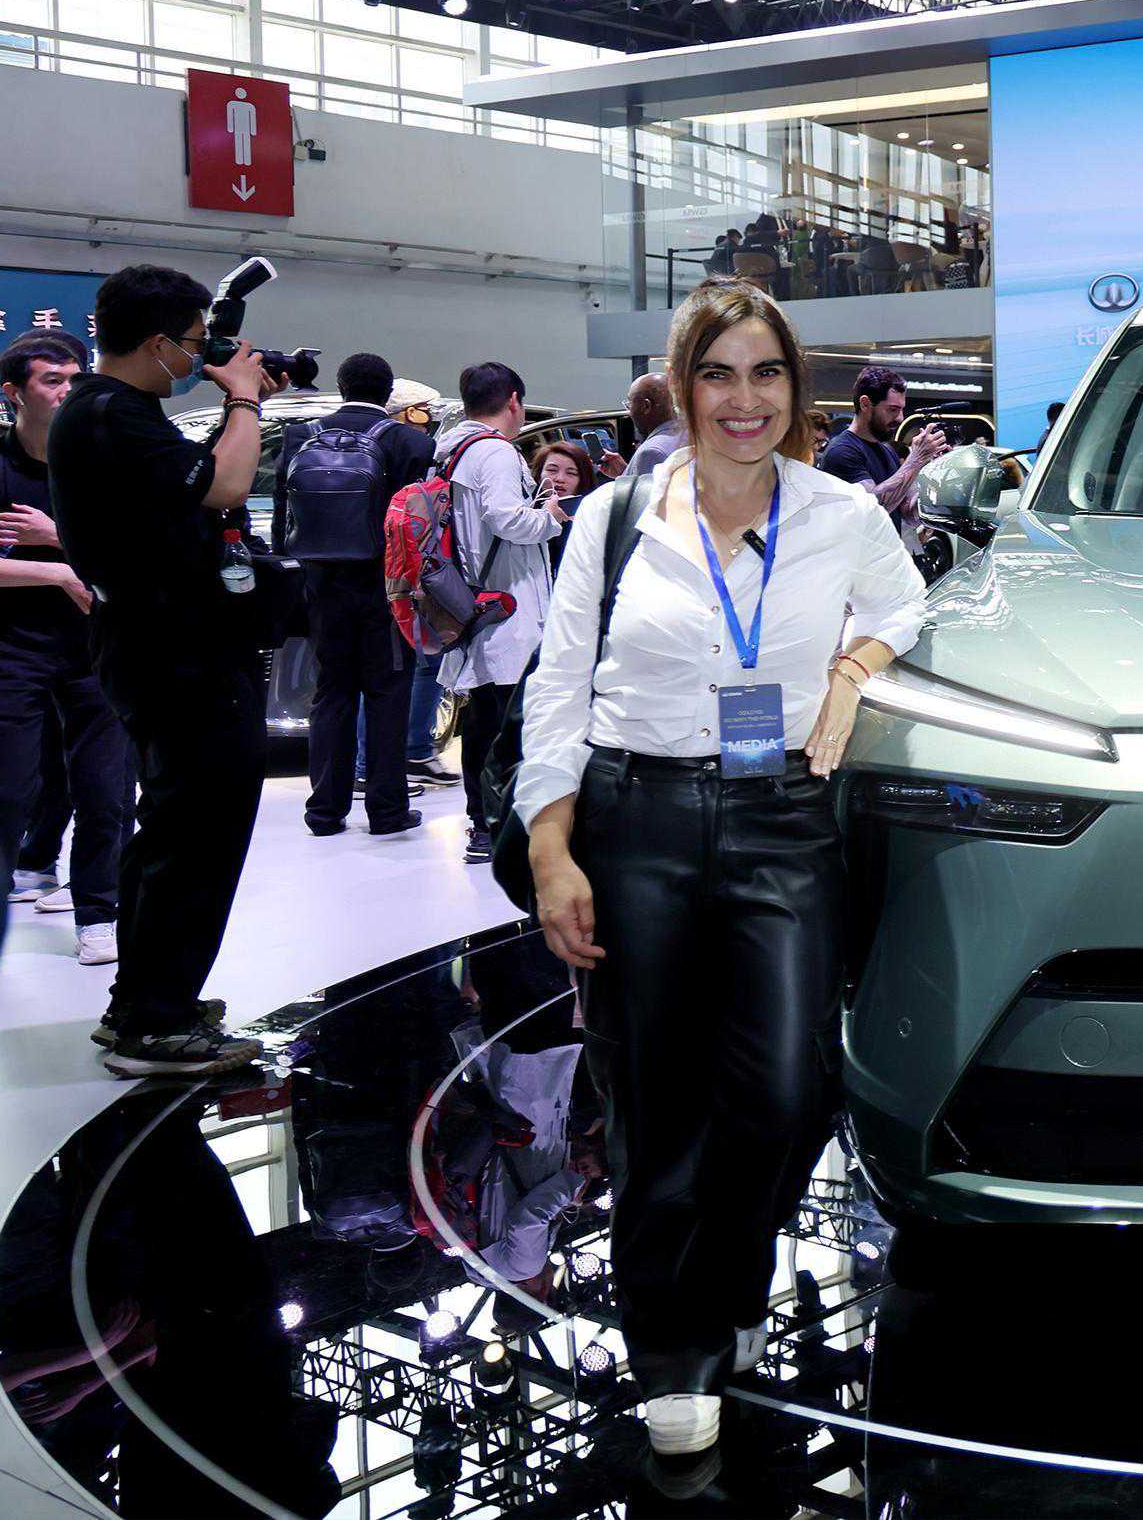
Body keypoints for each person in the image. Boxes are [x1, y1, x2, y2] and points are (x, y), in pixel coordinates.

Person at [517, 281, 926, 1466]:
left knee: (789, 1086)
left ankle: (734, 1270)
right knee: (655, 1097)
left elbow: (910, 603)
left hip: (783, 819)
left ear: (795, 387)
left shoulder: (841, 512)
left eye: (765, 374)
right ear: (683, 385)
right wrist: (550, 844)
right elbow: (558, 680)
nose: (743, 400)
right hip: (634, 817)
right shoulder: (613, 516)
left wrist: (852, 669)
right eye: (718, 374)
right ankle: (675, 1342)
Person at [47, 264, 277, 1077]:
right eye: (192, 342)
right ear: (155, 342)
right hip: (177, 651)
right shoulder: (111, 414)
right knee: (199, 836)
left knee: (174, 830)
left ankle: (145, 1000)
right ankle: (156, 1022)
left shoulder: (113, 413)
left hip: (159, 644)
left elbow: (190, 490)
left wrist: (241, 404)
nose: (199, 355)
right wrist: (243, 401)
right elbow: (228, 482)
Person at [0, 329, 134, 973]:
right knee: (7, 789)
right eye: (52, 380)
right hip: (10, 648)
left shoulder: (102, 463)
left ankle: (99, 914)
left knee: (107, 791)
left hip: (96, 648)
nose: (67, 391)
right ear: (14, 392)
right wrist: (57, 572)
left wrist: (57, 539)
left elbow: (137, 552)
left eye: (76, 379)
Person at [276, 350, 431, 840]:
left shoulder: (301, 437)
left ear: (341, 388)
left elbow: (284, 516)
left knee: (331, 693)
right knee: (387, 694)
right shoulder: (410, 442)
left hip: (322, 585)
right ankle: (387, 810)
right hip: (386, 588)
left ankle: (324, 811)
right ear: (388, 393)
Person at [435, 362, 571, 865]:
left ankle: (486, 822)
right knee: (504, 726)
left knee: (486, 721)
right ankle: (495, 825)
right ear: (514, 400)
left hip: (476, 603)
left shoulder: (451, 450)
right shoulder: (493, 452)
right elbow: (506, 519)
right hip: (506, 608)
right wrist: (549, 517)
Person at [384, 377, 457, 789]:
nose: (428, 418)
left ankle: (383, 759)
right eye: (424, 410)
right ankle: (408, 752)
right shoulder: (419, 450)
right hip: (413, 570)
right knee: (424, 663)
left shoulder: (362, 443)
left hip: (382, 569)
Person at [817, 365, 950, 537]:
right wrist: (916, 458)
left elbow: (909, 515)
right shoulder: (842, 451)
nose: (900, 418)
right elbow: (872, 509)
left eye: (901, 409)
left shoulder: (888, 452)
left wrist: (936, 473)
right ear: (865, 404)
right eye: (892, 409)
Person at [531, 438, 594, 574]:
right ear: (539, 474)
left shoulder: (591, 517)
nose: (560, 479)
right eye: (552, 470)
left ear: (582, 479)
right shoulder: (526, 514)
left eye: (571, 473)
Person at [626, 371, 685, 479]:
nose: (629, 412)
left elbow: (648, 490)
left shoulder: (651, 452)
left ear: (646, 406)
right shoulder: (691, 435)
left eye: (630, 404)